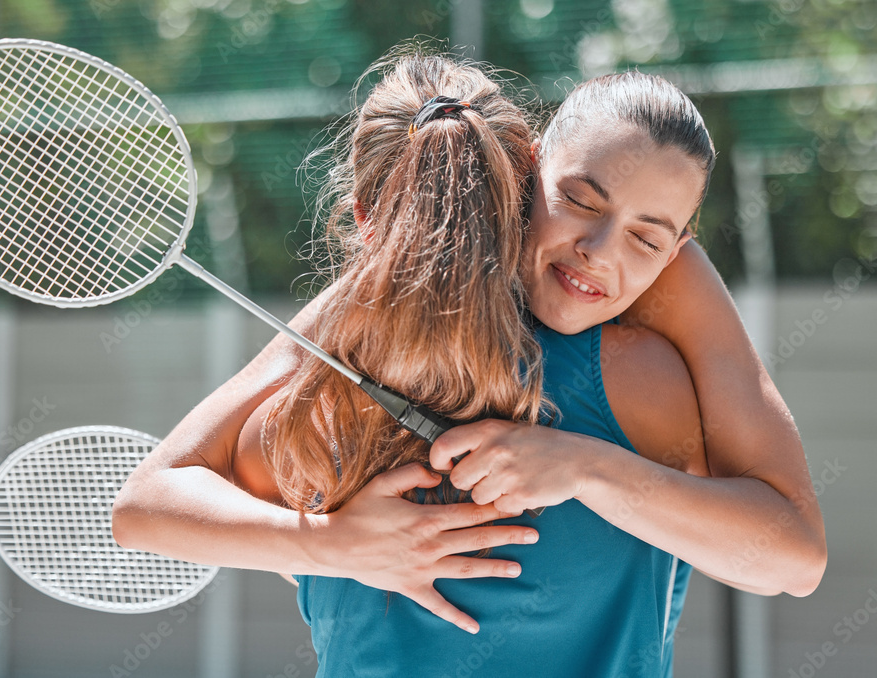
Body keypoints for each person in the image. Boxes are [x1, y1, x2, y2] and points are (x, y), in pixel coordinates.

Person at [112, 49, 825, 677]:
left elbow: (791, 557)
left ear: (675, 246)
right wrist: (339, 546)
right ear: (526, 167)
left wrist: (582, 465)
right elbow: (146, 510)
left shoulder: (315, 400)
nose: (602, 249)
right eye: (579, 199)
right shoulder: (343, 366)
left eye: (649, 238)